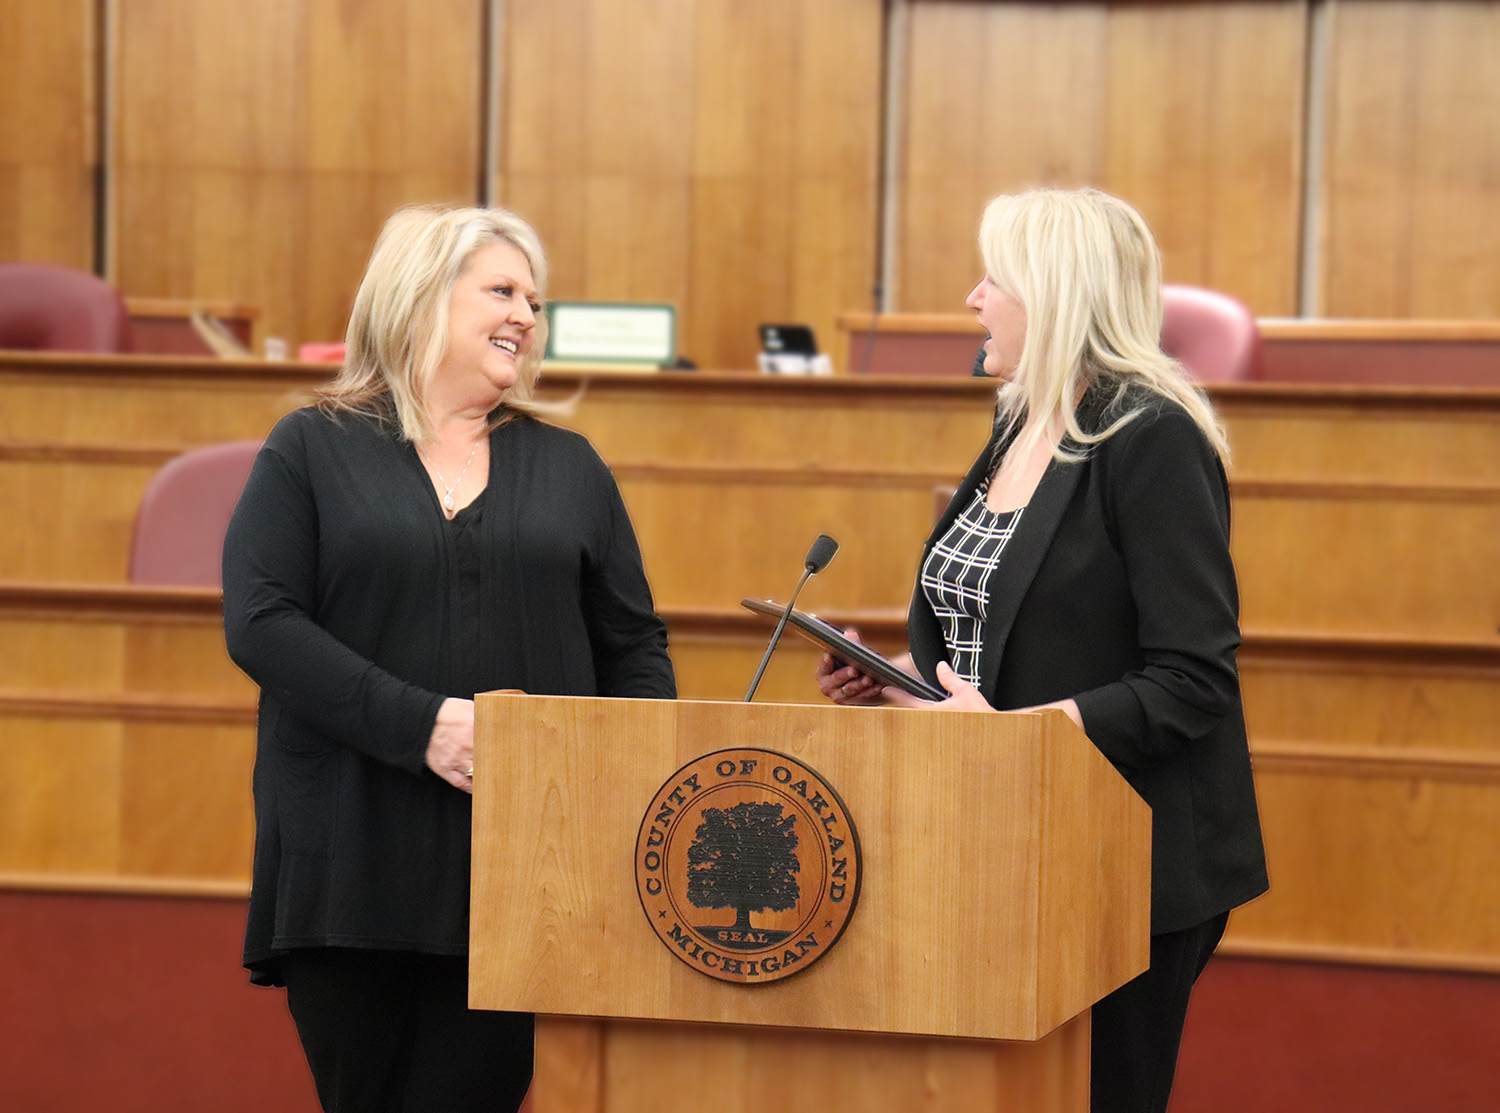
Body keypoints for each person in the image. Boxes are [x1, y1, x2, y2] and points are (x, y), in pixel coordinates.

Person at [816, 187, 1268, 1113]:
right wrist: (897, 688)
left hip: (1119, 857)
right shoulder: (1018, 419)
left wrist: (1024, 733)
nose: (973, 299)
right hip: (998, 834)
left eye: (994, 279)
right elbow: (985, 656)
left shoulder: (1152, 437)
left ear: (1054, 292)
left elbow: (1192, 680)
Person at [222, 205, 676, 1113]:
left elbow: (634, 647)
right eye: (502, 290)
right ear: (423, 296)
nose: (526, 315)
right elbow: (262, 622)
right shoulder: (309, 448)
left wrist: (624, 787)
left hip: (525, 866)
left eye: (535, 301)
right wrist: (425, 726)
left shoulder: (572, 466)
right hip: (350, 858)